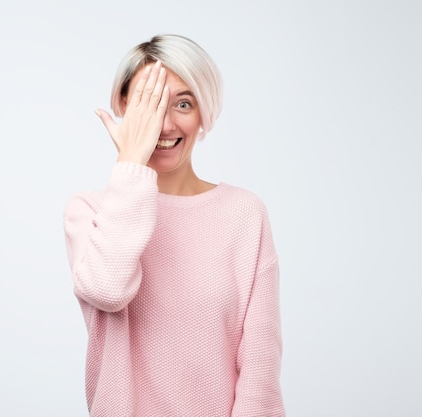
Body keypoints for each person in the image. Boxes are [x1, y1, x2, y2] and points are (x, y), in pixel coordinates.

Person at [63, 34, 284, 416]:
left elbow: (260, 366)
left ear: (204, 112)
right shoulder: (91, 212)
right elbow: (109, 289)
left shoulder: (244, 213)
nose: (164, 125)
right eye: (149, 105)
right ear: (123, 107)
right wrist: (131, 160)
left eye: (183, 103)